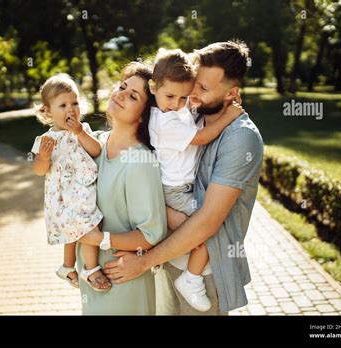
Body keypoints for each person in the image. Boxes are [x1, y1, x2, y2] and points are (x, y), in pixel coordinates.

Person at [103, 40, 264, 316]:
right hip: (167, 258)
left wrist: (143, 261)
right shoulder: (187, 116)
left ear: (232, 93)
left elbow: (207, 223)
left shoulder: (241, 139)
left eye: (202, 88)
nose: (191, 94)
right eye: (194, 85)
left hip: (204, 273)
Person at [147, 48, 243, 311]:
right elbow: (201, 137)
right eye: (170, 96)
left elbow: (192, 118)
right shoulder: (163, 122)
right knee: (204, 232)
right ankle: (191, 279)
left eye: (184, 96)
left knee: (201, 228)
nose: (180, 102)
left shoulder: (174, 111)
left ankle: (187, 274)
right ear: (153, 87)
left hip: (179, 188)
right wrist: (228, 117)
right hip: (175, 191)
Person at [76, 62, 167, 314]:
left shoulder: (140, 161)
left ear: (143, 115)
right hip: (93, 279)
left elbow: (151, 235)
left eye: (133, 96)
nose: (121, 94)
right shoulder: (96, 145)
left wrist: (100, 239)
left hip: (123, 282)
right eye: (123, 87)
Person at [31, 73, 111, 292]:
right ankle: (91, 268)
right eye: (62, 105)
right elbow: (38, 171)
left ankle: (67, 266)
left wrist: (79, 132)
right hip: (62, 196)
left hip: (83, 189)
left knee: (82, 226)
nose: (70, 109)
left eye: (74, 103)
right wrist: (44, 158)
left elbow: (96, 150)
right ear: (47, 111)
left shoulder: (82, 130)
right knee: (83, 226)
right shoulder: (46, 140)